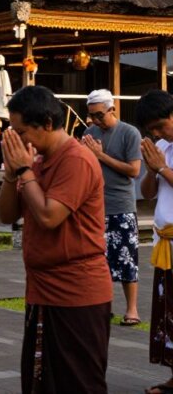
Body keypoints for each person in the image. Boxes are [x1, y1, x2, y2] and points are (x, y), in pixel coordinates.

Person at [0, 85, 111, 394]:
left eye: (22, 132)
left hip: (77, 293)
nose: (18, 140)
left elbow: (49, 216)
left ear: (47, 123)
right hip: (42, 290)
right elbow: (6, 215)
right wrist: (12, 173)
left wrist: (24, 170)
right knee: (41, 382)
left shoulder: (76, 159)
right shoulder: (36, 161)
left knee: (78, 383)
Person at [82, 88, 142, 326]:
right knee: (97, 261)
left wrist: (100, 155)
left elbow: (134, 171)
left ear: (112, 110)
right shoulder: (89, 133)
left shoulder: (129, 133)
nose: (95, 121)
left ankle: (132, 309)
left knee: (127, 259)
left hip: (122, 205)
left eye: (99, 115)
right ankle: (102, 306)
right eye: (91, 116)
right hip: (96, 206)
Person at [135, 90, 173, 394]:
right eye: (152, 131)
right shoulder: (160, 147)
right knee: (167, 311)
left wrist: (162, 167)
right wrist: (151, 170)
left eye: (161, 126)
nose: (158, 134)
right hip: (165, 244)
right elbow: (148, 193)